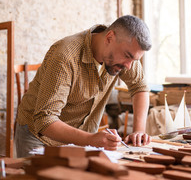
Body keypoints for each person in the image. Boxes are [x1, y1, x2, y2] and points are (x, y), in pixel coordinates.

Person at [15, 15, 152, 157]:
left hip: (80, 139)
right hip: (39, 137)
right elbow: (45, 120)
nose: (129, 66)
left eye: (134, 60)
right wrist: (91, 139)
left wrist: (139, 131)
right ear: (109, 38)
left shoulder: (125, 53)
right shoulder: (65, 57)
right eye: (127, 56)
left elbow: (140, 87)